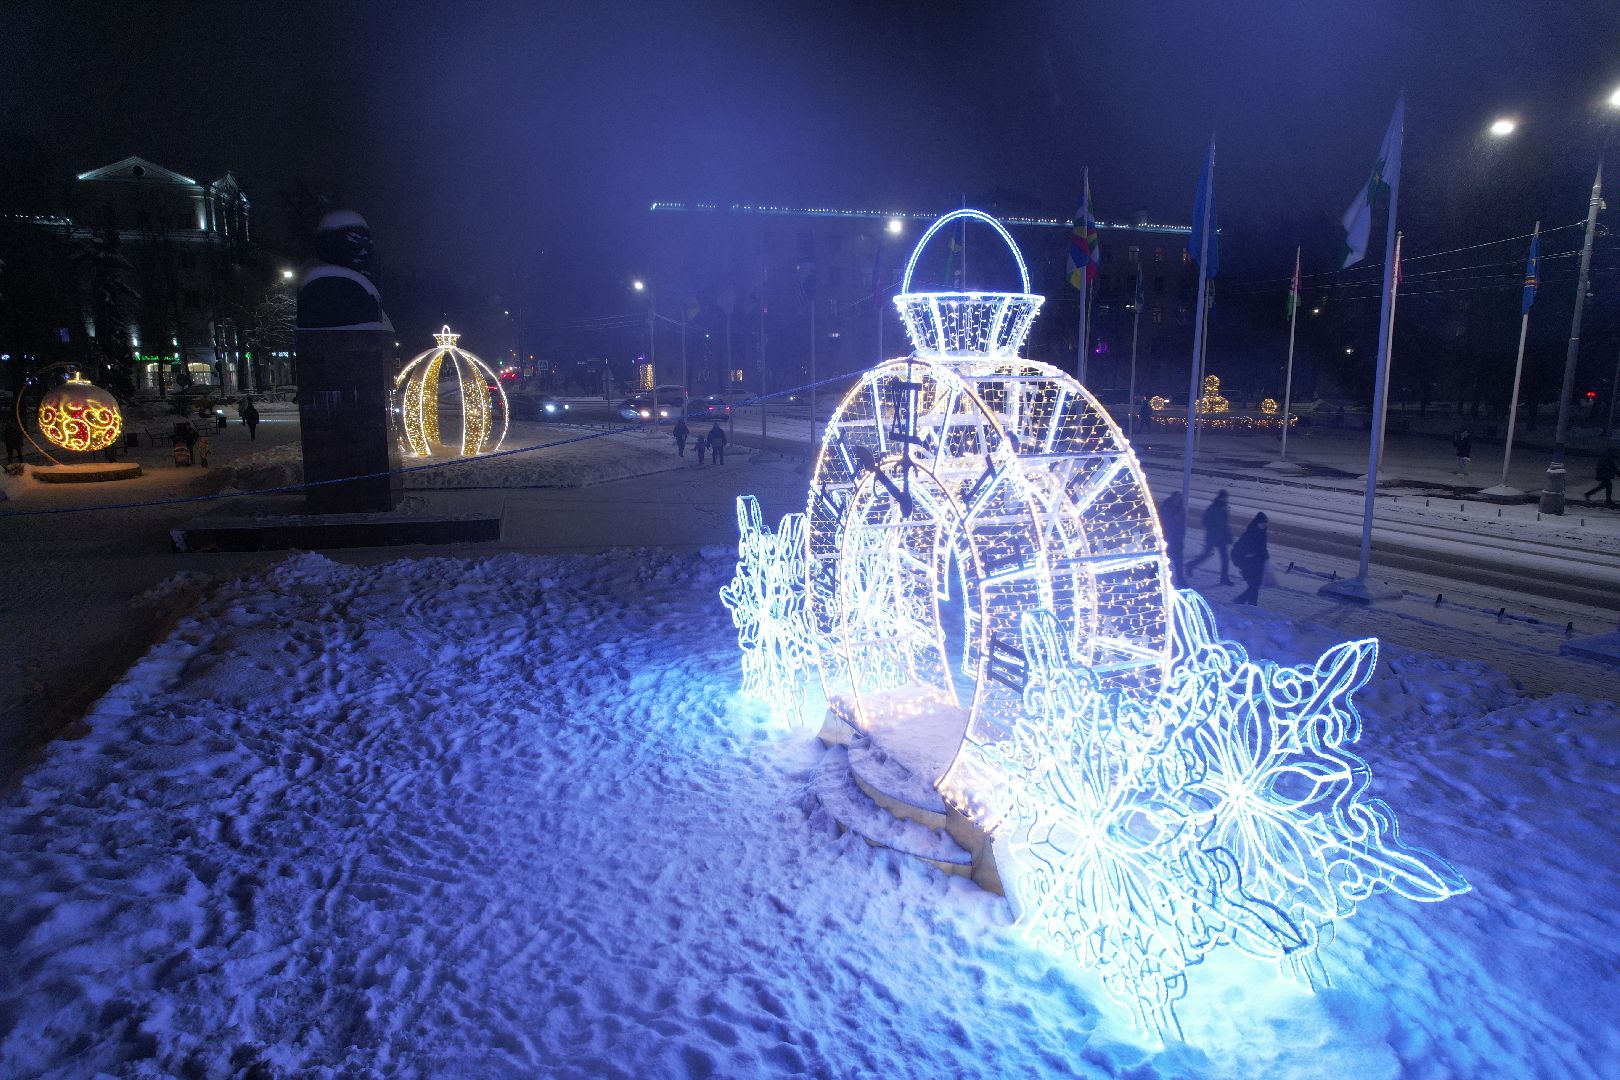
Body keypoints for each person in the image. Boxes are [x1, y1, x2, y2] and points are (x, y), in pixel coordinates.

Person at [1186, 489, 1233, 585]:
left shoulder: (1224, 508)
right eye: (1223, 497)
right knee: (1206, 555)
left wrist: (1228, 533)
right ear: (1220, 497)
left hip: (1222, 537)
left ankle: (1224, 578)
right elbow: (1204, 520)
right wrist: (1214, 528)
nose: (1225, 499)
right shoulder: (1212, 508)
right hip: (1212, 536)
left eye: (1225, 498)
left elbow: (1225, 523)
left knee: (1225, 558)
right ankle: (1190, 565)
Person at [1232, 512, 1270, 605]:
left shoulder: (1262, 533)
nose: (1264, 524)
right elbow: (1239, 547)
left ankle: (1247, 603)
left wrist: (1266, 556)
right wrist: (1248, 555)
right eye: (1263, 522)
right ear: (1258, 522)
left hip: (1258, 564)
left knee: (1254, 586)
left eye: (1265, 522)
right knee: (1254, 586)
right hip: (1250, 564)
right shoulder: (1250, 533)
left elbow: (1262, 548)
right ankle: (1244, 602)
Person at [1158, 491, 1186, 588]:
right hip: (1167, 539)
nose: (1177, 501)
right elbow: (1163, 523)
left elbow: (1182, 525)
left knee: (1178, 562)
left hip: (1177, 540)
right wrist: (1173, 519)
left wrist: (1181, 537)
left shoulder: (1181, 510)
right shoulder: (1166, 508)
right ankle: (1152, 575)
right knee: (1162, 558)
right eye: (1176, 499)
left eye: (1179, 499)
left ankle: (1181, 581)